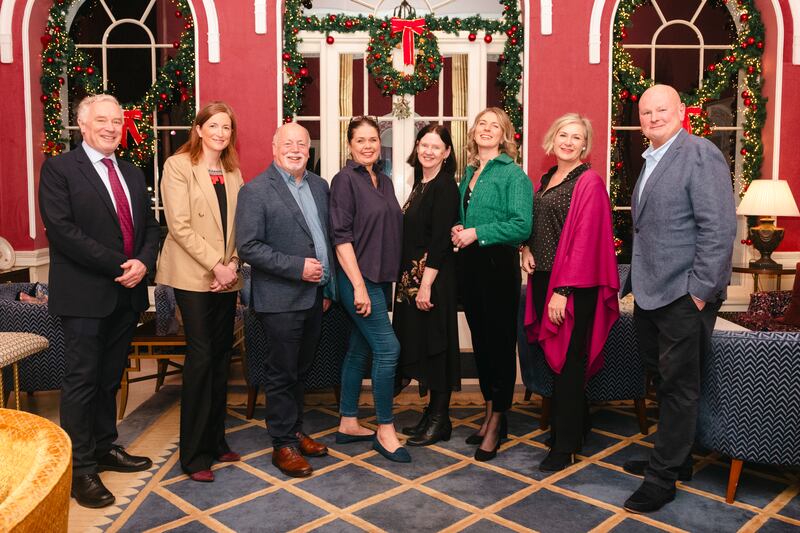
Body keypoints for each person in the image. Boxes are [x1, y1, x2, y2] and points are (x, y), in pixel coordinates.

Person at [38, 94, 160, 508]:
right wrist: (120, 264)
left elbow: (151, 227)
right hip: (86, 295)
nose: (111, 127)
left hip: (126, 295)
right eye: (102, 121)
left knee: (110, 379)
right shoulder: (59, 169)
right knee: (82, 382)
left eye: (117, 121)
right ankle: (82, 468)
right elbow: (62, 231)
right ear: (83, 125)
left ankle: (106, 446)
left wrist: (143, 262)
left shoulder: (130, 170)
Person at [621, 84, 736, 513]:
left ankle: (662, 477)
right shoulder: (653, 159)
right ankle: (677, 457)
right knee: (662, 379)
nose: (652, 118)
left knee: (680, 387)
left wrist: (700, 294)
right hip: (651, 293)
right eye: (646, 112)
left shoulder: (700, 153)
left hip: (685, 296)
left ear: (681, 111)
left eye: (661, 110)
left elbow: (719, 229)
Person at [521, 113, 620, 471]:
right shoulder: (548, 178)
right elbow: (538, 226)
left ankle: (564, 448)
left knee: (570, 363)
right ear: (553, 137)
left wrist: (563, 290)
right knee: (558, 360)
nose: (568, 141)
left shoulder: (589, 182)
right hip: (545, 278)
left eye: (577, 137)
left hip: (575, 285)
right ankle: (576, 428)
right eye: (563, 134)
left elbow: (584, 241)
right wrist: (526, 249)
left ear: (585, 145)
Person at [235, 122, 333, 478]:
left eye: (302, 144)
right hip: (279, 299)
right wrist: (297, 268)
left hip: (315, 297)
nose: (296, 149)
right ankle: (282, 445)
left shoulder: (320, 186)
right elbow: (248, 247)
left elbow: (325, 239)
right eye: (288, 143)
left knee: (300, 371)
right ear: (274, 147)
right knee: (281, 373)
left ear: (310, 149)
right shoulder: (256, 190)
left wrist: (326, 287)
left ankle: (294, 429)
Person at [156, 101, 244, 483]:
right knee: (202, 357)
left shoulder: (232, 171)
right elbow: (179, 225)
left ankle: (216, 439)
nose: (221, 133)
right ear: (199, 128)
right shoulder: (178, 166)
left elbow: (241, 224)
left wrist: (233, 265)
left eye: (227, 127)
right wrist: (216, 265)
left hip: (226, 277)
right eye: (214, 126)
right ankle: (193, 455)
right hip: (194, 275)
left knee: (222, 358)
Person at [451, 107, 533, 462]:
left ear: (504, 136)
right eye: (481, 125)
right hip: (470, 267)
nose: (486, 130)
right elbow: (468, 216)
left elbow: (521, 226)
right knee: (482, 344)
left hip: (498, 267)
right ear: (473, 134)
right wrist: (459, 227)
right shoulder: (469, 172)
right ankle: (488, 413)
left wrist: (475, 233)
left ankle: (499, 420)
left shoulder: (514, 174)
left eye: (494, 126)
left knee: (499, 346)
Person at [330, 116, 408, 462]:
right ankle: (385, 429)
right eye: (360, 140)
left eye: (373, 139)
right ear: (349, 145)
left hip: (380, 277)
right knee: (389, 348)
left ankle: (348, 420)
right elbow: (340, 237)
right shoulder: (345, 180)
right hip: (357, 280)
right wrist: (359, 286)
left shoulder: (385, 181)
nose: (367, 146)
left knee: (360, 349)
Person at [394, 125, 460, 447]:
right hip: (413, 283)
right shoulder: (421, 184)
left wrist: (426, 286)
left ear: (447, 152)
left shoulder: (445, 186)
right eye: (424, 145)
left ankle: (440, 419)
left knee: (437, 348)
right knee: (422, 345)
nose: (428, 151)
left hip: (433, 282)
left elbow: (439, 242)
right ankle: (430, 413)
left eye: (436, 146)